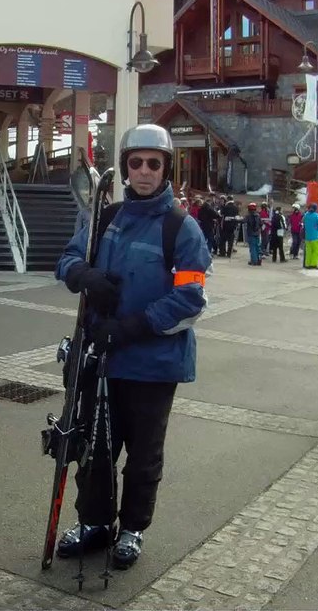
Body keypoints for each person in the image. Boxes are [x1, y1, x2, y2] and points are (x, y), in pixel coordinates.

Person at [54, 123, 210, 570]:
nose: (144, 171)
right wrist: (84, 276)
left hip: (154, 364)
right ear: (125, 167)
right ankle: (95, 523)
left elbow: (190, 298)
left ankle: (132, 527)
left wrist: (131, 327)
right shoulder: (104, 217)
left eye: (153, 164)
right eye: (136, 162)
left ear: (166, 170)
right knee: (95, 448)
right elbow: (66, 258)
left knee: (142, 457)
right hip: (101, 359)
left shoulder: (181, 228)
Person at [302, 202, 318, 270]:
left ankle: (307, 264)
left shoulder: (306, 215)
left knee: (308, 251)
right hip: (315, 236)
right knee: (316, 251)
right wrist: (317, 228)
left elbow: (303, 221)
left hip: (307, 237)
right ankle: (313, 264)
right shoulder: (316, 216)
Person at [244, 202, 263, 266]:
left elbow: (243, 221)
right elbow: (261, 224)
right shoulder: (258, 215)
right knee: (257, 247)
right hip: (257, 233)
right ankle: (258, 260)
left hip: (251, 233)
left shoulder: (248, 216)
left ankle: (254, 261)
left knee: (252, 248)